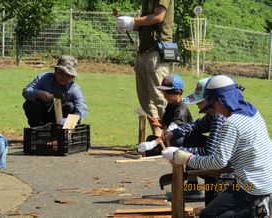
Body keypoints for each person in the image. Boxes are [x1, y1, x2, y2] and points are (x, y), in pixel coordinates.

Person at [162, 75, 272, 217]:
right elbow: (246, 150)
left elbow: (217, 161)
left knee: (209, 216)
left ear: (221, 100)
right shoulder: (252, 111)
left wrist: (186, 157)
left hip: (250, 186)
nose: (213, 109)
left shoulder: (231, 123)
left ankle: (257, 209)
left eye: (212, 105)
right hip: (263, 179)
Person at [116, 0, 174, 137]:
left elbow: (158, 17)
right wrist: (129, 25)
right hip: (143, 51)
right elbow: (144, 24)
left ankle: (170, 137)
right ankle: (158, 136)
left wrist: (133, 21)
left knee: (160, 98)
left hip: (158, 51)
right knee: (144, 100)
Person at [22, 55, 87, 127]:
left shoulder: (74, 89)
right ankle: (38, 131)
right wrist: (39, 93)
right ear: (55, 70)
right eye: (61, 73)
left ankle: (60, 132)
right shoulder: (43, 78)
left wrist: (74, 118)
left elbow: (82, 107)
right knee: (29, 104)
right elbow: (26, 91)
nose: (64, 77)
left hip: (60, 120)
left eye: (68, 75)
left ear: (73, 77)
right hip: (41, 114)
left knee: (70, 106)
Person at [137, 74, 193, 156]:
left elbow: (170, 132)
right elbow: (166, 123)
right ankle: (156, 150)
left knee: (174, 142)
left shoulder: (181, 110)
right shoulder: (170, 105)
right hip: (170, 137)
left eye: (167, 93)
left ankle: (155, 150)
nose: (165, 96)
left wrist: (152, 144)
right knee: (150, 138)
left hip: (183, 139)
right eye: (164, 93)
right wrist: (160, 124)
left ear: (177, 93)